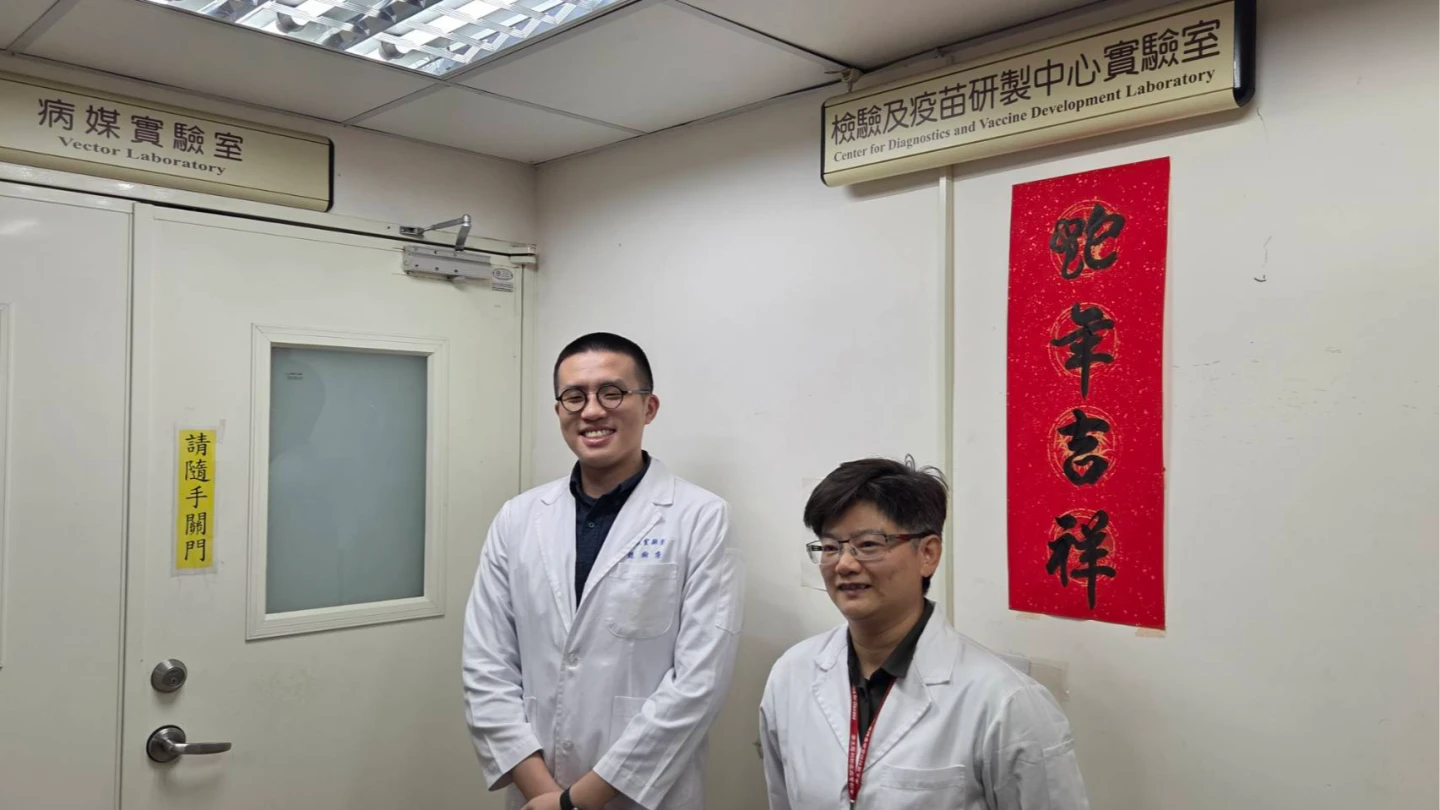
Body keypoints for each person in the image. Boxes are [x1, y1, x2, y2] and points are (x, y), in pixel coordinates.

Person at [463, 332, 745, 810]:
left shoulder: (701, 518)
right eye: (574, 397)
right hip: (537, 789)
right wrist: (547, 796)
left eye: (611, 393)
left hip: (644, 795)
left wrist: (576, 802)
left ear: (649, 407)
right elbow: (485, 666)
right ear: (559, 411)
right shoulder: (518, 517)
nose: (592, 411)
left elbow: (699, 684)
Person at [759, 458, 1090, 810]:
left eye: (868, 544)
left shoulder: (1006, 701)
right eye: (830, 547)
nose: (844, 564)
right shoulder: (792, 674)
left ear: (928, 554)